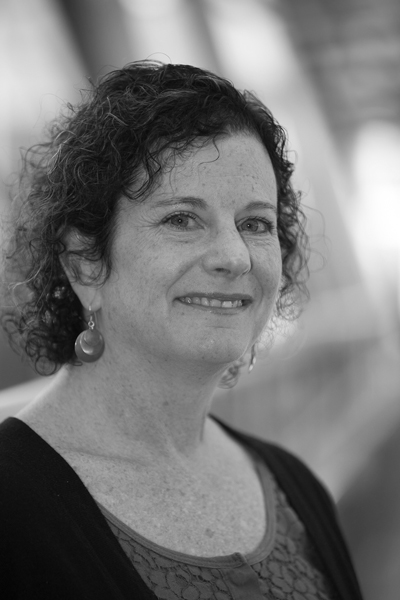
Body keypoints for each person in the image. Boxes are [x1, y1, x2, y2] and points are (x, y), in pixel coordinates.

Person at [0, 61, 363, 600]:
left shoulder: (294, 485)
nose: (234, 256)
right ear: (85, 264)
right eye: (181, 219)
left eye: (255, 223)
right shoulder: (10, 505)